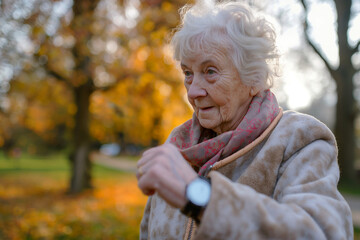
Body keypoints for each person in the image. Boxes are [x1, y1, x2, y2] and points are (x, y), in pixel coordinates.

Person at [136, 1, 354, 239]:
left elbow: (322, 232)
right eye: (188, 73)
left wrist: (200, 197)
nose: (193, 91)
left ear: (254, 79)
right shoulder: (178, 145)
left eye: (210, 71)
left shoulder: (299, 139)